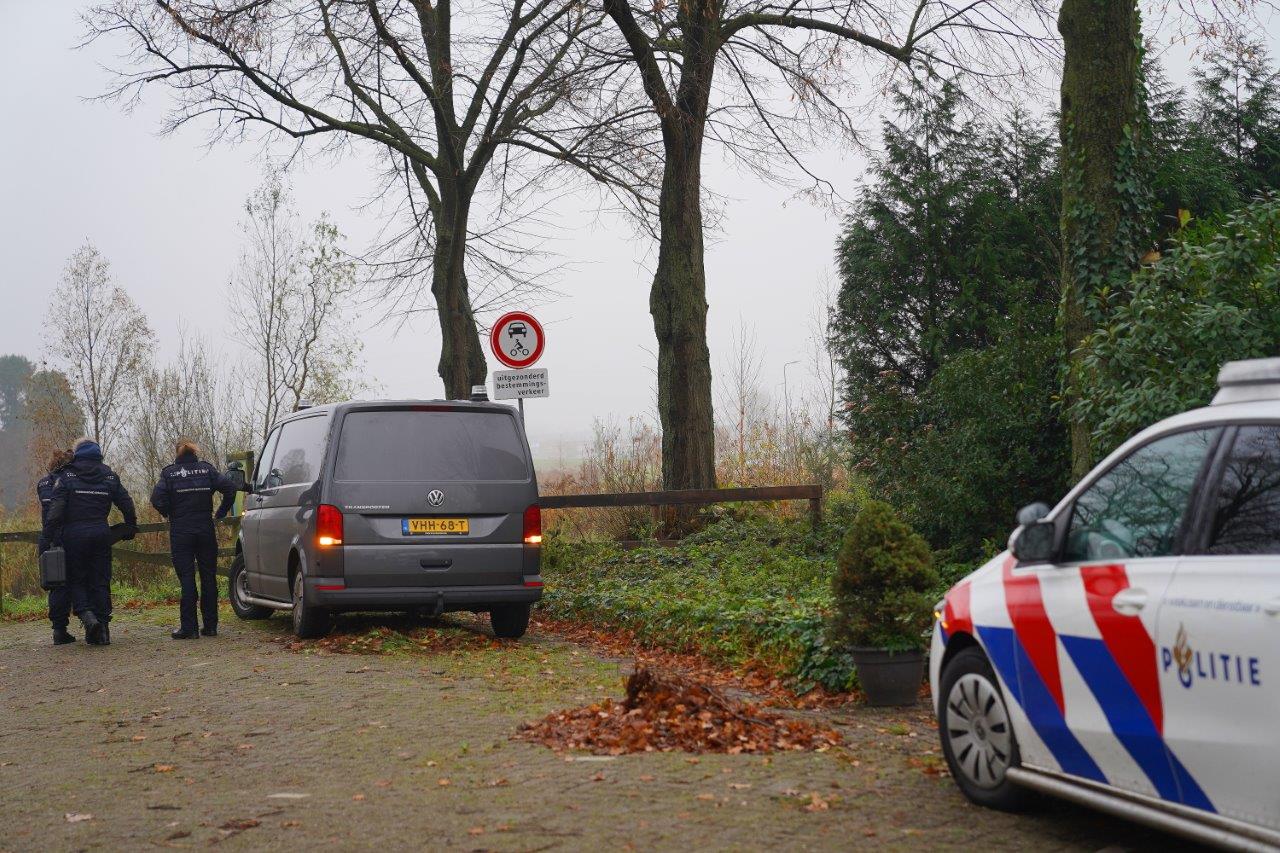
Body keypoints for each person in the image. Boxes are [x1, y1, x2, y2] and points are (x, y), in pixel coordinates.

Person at [44, 438, 137, 646]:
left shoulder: (67, 475)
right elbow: (126, 502)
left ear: (78, 453)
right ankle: (102, 630)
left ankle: (87, 615)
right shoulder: (109, 476)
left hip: (74, 534)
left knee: (77, 578)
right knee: (100, 580)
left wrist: (49, 536)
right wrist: (131, 525)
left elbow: (56, 510)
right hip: (101, 533)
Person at [150, 440, 238, 640]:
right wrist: (221, 513)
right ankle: (211, 626)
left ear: (177, 454)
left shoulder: (170, 473)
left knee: (187, 577)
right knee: (209, 577)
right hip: (205, 528)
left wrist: (169, 512)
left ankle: (188, 627)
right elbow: (230, 488)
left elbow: (156, 498)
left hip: (181, 530)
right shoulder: (206, 470)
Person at [36, 448, 74, 645]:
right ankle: (90, 619)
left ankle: (59, 629)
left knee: (56, 585)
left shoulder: (42, 483)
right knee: (80, 579)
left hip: (48, 537)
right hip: (69, 535)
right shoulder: (70, 481)